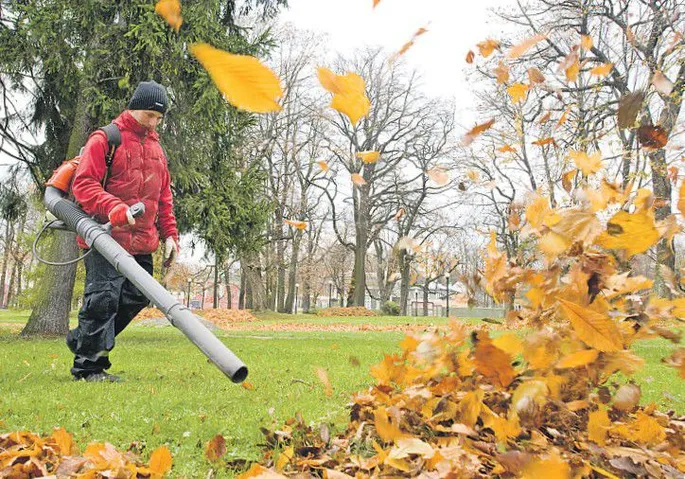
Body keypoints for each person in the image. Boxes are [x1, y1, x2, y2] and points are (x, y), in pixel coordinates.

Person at [66, 80, 179, 382]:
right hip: (105, 236)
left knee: (138, 295)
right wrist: (114, 207)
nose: (153, 122)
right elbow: (84, 184)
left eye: (158, 118)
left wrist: (170, 235)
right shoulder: (106, 138)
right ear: (133, 108)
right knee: (102, 299)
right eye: (148, 115)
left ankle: (82, 340)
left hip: (142, 241)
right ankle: (89, 368)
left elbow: (163, 196)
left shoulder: (157, 149)